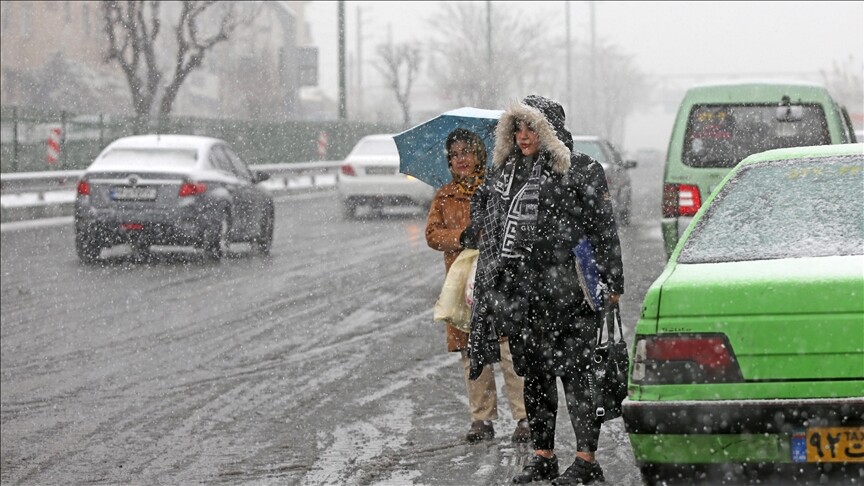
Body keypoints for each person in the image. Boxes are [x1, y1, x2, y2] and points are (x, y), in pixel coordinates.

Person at [461, 95, 624, 485]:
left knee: (579, 377)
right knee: (535, 378)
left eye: (531, 127)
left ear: (549, 130)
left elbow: (603, 227)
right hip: (522, 296)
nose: (523, 135)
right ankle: (543, 455)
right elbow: (485, 223)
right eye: (516, 128)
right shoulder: (504, 175)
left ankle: (586, 460)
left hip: (571, 292)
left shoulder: (580, 169)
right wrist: (479, 218)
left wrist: (613, 281)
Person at [425, 128, 531, 444]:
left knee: (509, 348)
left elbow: (515, 227)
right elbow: (432, 235)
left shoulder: (498, 188)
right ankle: (481, 419)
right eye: (455, 154)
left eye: (467, 152)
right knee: (473, 351)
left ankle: (524, 417)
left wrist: (491, 236)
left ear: (479, 155)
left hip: (499, 280)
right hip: (463, 287)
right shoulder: (444, 196)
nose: (461, 159)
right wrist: (461, 237)